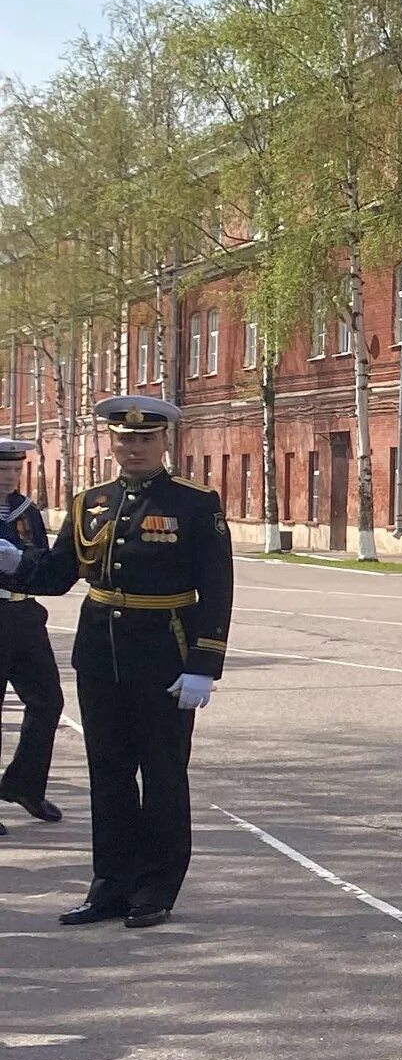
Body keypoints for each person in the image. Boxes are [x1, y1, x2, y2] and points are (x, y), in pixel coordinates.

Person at [4, 397, 231, 928]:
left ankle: (156, 887)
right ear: (111, 442)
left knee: (163, 772)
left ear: (164, 442)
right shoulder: (91, 502)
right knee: (107, 773)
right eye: (125, 439)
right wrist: (14, 563)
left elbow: (217, 588)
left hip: (165, 650)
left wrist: (205, 662)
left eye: (146, 439)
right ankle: (111, 885)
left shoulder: (195, 503)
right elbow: (58, 576)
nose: (134, 448)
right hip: (101, 651)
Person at [0, 438, 64, 826]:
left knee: (47, 702)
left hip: (23, 615)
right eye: (1, 470)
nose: (8, 477)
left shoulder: (26, 511)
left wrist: (22, 561)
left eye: (13, 470)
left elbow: (42, 560)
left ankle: (25, 784)